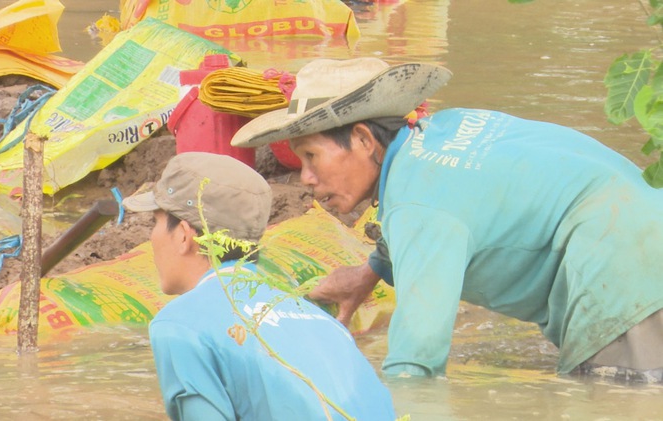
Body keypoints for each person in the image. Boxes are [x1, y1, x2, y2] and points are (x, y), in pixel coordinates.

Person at [230, 57, 663, 383]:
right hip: (641, 225)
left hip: (626, 274)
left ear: (362, 140)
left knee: (615, 401)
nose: (305, 178)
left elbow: (416, 356)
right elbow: (461, 203)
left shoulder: (417, 205)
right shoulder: (442, 131)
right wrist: (369, 273)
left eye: (311, 156)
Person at [122, 151, 396, 420]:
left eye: (154, 223)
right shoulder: (323, 321)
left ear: (184, 235)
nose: (152, 237)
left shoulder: (179, 325)